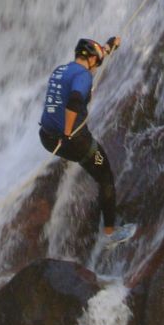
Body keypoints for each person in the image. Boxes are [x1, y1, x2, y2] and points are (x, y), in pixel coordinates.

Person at [39, 36, 121, 236]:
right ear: (92, 59)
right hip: (71, 140)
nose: (96, 67)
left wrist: (109, 47)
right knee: (105, 176)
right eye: (96, 62)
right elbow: (75, 101)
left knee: (83, 160)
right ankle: (110, 233)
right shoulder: (83, 76)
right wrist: (67, 133)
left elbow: (81, 76)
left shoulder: (60, 70)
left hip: (46, 137)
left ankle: (76, 163)